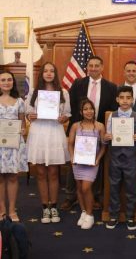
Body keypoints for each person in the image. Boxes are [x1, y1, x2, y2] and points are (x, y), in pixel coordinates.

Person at [60, 56, 118, 211]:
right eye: (90, 65)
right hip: (78, 130)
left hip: (98, 131)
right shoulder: (78, 84)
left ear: (102, 67)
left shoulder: (111, 87)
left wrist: (107, 132)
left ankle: (96, 196)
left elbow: (112, 112)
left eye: (96, 65)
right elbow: (71, 107)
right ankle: (70, 197)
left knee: (96, 165)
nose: (93, 68)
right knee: (75, 165)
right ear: (87, 67)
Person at [25, 62, 71, 223]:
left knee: (53, 172)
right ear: (42, 74)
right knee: (41, 173)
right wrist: (30, 116)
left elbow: (67, 114)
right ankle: (45, 207)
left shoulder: (63, 92)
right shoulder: (33, 92)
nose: (49, 73)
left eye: (52, 71)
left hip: (54, 133)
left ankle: (54, 206)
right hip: (38, 133)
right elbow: (27, 113)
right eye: (46, 71)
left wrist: (63, 118)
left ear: (55, 73)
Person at [104, 86, 136, 230]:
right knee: (114, 187)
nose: (125, 101)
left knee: (131, 188)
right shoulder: (111, 116)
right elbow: (107, 136)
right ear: (117, 99)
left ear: (132, 100)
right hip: (115, 158)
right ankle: (113, 216)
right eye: (122, 98)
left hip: (131, 159)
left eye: (128, 98)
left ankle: (130, 216)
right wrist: (106, 138)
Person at [68, 98, 106, 230]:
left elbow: (103, 147)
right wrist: (72, 157)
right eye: (85, 109)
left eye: (91, 109)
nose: (89, 111)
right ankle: (83, 212)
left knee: (86, 188)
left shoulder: (100, 126)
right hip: (78, 162)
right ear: (81, 111)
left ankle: (90, 215)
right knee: (79, 188)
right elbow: (70, 144)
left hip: (91, 163)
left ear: (94, 110)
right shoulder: (75, 126)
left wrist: (97, 159)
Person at [0, 71, 27, 222]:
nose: (6, 82)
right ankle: (1, 209)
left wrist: (23, 130)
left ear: (13, 82)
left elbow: (22, 123)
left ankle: (11, 210)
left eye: (9, 80)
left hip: (14, 144)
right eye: (3, 80)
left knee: (12, 177)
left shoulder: (19, 101)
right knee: (0, 178)